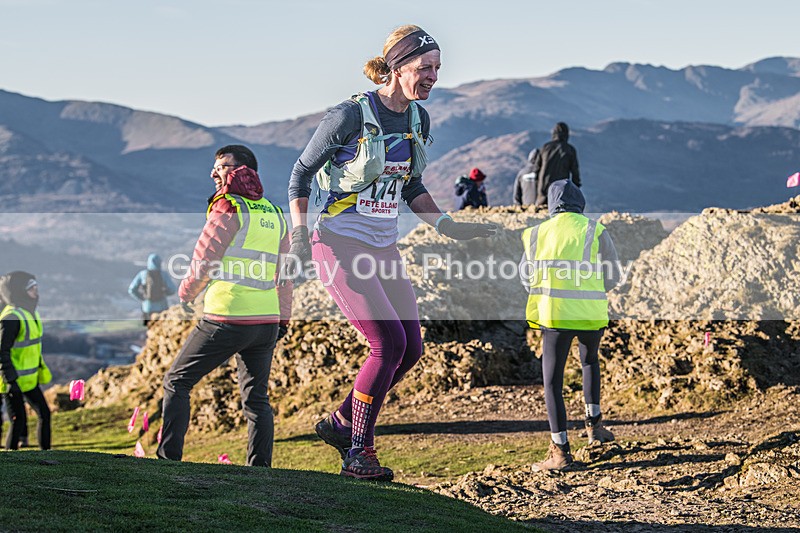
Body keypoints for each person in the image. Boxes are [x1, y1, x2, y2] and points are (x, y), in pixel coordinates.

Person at [286, 24, 497, 481]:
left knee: (412, 348)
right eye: (425, 68)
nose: (433, 77)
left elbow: (411, 185)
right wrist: (300, 233)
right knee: (386, 345)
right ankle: (358, 451)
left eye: (438, 68)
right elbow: (300, 174)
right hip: (338, 242)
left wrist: (448, 224)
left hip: (383, 245)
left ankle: (343, 422)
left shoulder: (419, 120)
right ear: (397, 68)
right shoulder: (348, 116)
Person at [157, 145, 292, 467]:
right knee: (257, 399)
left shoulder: (228, 206)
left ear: (242, 170)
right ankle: (259, 469)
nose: (213, 172)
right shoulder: (274, 213)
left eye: (221, 166)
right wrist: (283, 319)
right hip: (266, 322)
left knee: (177, 382)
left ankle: (167, 460)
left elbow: (205, 257)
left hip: (227, 317)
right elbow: (285, 274)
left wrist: (186, 294)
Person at [519, 180, 619, 470]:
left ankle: (560, 451)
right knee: (589, 364)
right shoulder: (594, 230)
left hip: (554, 315)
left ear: (551, 204)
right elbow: (613, 276)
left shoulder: (537, 233)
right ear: (581, 203)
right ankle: (595, 428)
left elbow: (526, 278)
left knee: (552, 381)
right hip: (589, 313)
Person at [0, 272, 52, 450]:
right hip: (12, 382)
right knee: (18, 421)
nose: (36, 292)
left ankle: (47, 455)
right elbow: (2, 352)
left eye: (36, 288)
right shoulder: (11, 318)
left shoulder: (29, 313)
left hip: (29, 380)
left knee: (44, 414)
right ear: (21, 292)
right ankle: (9, 461)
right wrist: (10, 380)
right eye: (32, 288)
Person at [534, 122, 581, 206]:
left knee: (541, 214)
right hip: (561, 190)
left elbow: (536, 169)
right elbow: (575, 172)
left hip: (543, 189)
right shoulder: (570, 150)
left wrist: (537, 185)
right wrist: (575, 189)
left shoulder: (545, 147)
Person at [128, 253, 177, 326]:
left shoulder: (142, 274)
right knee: (162, 329)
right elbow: (173, 289)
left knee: (150, 330)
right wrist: (164, 293)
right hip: (162, 307)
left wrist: (142, 297)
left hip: (147, 307)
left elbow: (131, 290)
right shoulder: (163, 274)